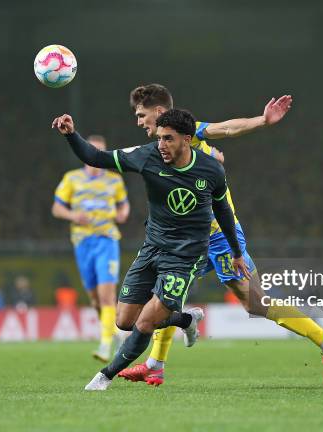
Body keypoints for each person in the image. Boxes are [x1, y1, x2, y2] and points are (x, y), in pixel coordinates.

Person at [118, 84, 323, 386]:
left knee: (255, 302)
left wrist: (262, 121)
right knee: (164, 296)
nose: (139, 122)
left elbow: (225, 128)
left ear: (159, 112)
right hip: (187, 240)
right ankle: (155, 365)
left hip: (219, 237)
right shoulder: (160, 149)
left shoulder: (190, 133)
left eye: (141, 115)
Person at [52, 109, 248, 391]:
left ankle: (104, 376)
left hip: (186, 257)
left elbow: (224, 211)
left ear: (187, 140)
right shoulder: (148, 156)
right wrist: (71, 134)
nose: (161, 145)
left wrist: (237, 252)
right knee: (124, 321)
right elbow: (97, 158)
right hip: (152, 248)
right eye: (159, 138)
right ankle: (185, 319)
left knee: (145, 323)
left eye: (168, 139)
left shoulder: (211, 169)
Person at [52, 134, 130, 362]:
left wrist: (122, 214)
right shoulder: (72, 179)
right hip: (82, 242)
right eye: (92, 150)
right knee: (95, 300)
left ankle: (105, 345)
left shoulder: (114, 180)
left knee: (107, 296)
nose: (96, 155)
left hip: (106, 240)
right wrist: (74, 215)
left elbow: (124, 207)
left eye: (100, 151)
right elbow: (57, 209)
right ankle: (114, 334)